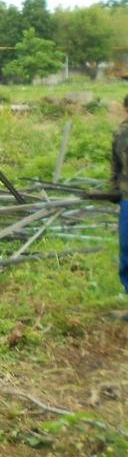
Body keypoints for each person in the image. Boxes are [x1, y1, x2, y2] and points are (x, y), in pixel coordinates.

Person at [110, 95, 128, 312]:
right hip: (127, 198)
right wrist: (114, 191)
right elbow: (115, 167)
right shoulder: (121, 134)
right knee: (126, 247)